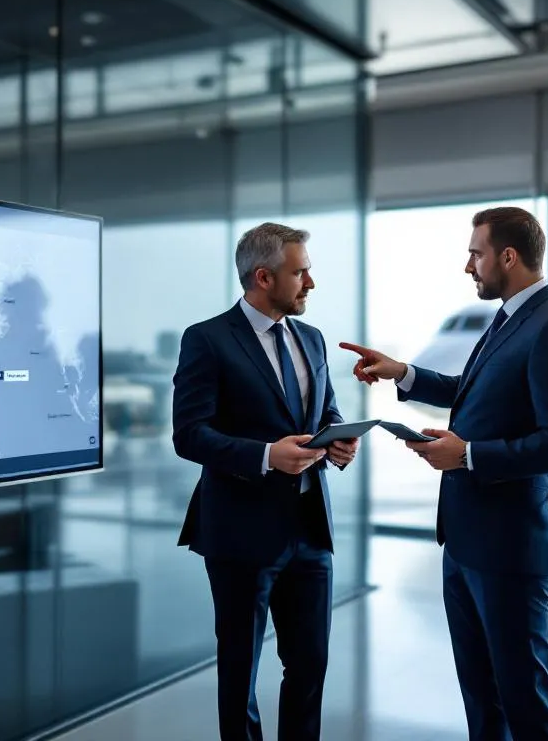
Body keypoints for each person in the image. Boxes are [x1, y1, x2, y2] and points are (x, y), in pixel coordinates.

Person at [341, 206, 548, 741]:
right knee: (482, 698)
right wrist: (402, 372)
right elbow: (472, 391)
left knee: (525, 700)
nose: (468, 265)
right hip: (466, 540)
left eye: (476, 253)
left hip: (511, 548)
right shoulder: (509, 318)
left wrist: (468, 455)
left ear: (508, 256)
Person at [174, 222, 358, 741]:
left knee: (310, 667)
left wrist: (338, 439)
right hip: (240, 532)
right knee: (240, 672)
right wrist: (265, 456)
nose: (310, 283)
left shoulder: (312, 339)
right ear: (263, 277)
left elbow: (325, 410)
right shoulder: (207, 339)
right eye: (300, 273)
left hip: (310, 529)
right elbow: (189, 434)